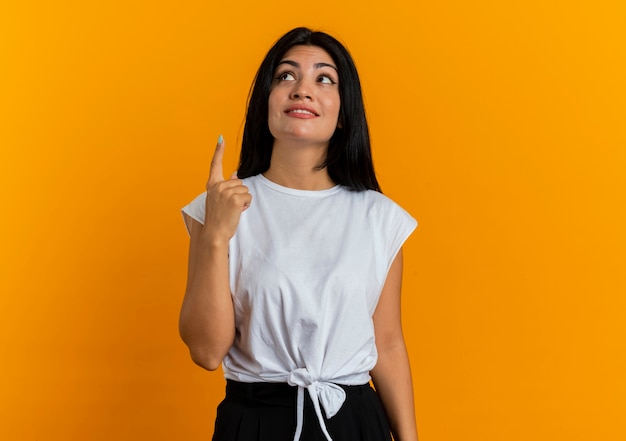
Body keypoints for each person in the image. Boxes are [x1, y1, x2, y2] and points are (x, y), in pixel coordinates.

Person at [180, 27, 419, 441]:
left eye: (324, 78)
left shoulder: (378, 217)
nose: (302, 89)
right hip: (254, 422)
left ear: (343, 113)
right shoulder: (218, 206)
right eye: (286, 76)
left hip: (354, 423)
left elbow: (388, 343)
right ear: (266, 102)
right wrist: (216, 236)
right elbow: (205, 352)